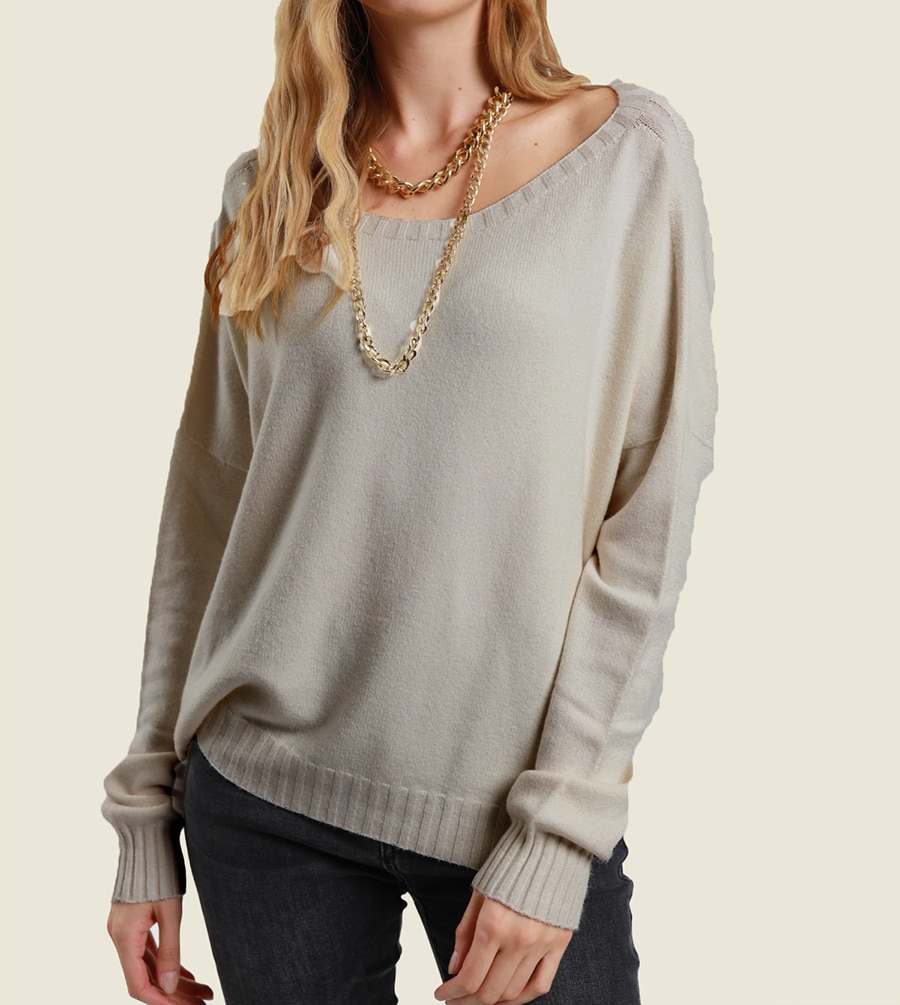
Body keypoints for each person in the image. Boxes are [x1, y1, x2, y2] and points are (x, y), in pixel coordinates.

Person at [102, 1, 718, 1003]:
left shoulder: (626, 157)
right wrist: (144, 813)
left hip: (510, 813)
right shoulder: (268, 192)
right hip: (260, 800)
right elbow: (203, 515)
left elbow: (649, 512)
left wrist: (558, 836)